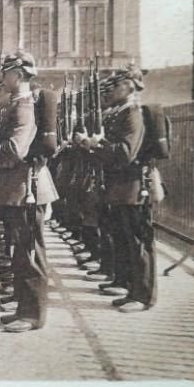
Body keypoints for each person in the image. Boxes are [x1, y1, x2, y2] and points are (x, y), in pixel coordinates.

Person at [77, 66, 157, 313]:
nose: (112, 89)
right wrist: (94, 146)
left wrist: (95, 144)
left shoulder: (133, 113)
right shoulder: (120, 112)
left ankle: (143, 296)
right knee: (124, 239)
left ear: (131, 85)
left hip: (133, 186)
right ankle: (129, 287)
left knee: (138, 242)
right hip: (120, 186)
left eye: (118, 84)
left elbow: (125, 153)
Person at [0, 50, 50, 333]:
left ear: (18, 74)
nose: (3, 77)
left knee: (30, 252)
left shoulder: (24, 106)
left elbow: (16, 149)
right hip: (18, 188)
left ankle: (33, 314)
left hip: (27, 188)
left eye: (6, 73)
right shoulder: (16, 103)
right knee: (21, 252)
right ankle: (24, 308)